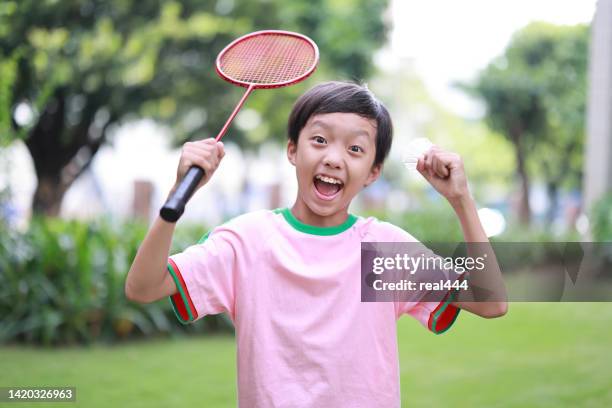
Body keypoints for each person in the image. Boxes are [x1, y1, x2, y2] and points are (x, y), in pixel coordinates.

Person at [125, 81, 507, 407]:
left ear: (373, 172)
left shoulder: (383, 250)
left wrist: (461, 200)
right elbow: (143, 287)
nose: (334, 159)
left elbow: (491, 302)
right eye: (320, 140)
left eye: (355, 149)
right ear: (293, 150)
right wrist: (179, 193)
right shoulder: (247, 241)